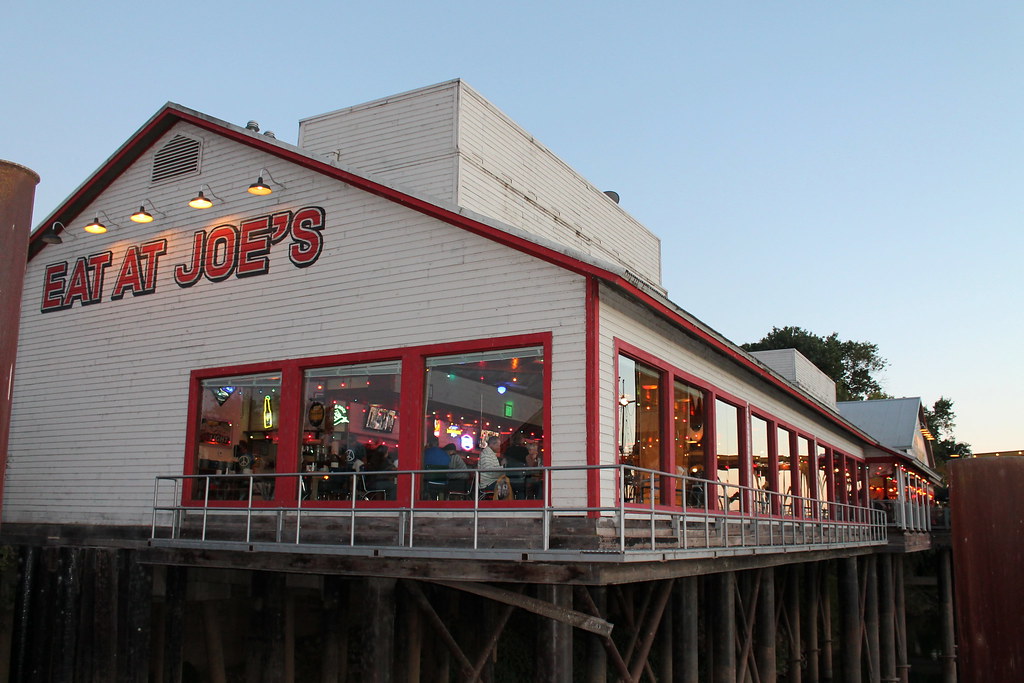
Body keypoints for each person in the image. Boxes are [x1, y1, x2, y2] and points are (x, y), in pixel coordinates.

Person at [503, 433, 530, 499]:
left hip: (509, 477)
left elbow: (504, 462)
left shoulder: (508, 450)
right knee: (522, 492)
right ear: (521, 440)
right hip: (520, 478)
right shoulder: (524, 450)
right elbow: (529, 463)